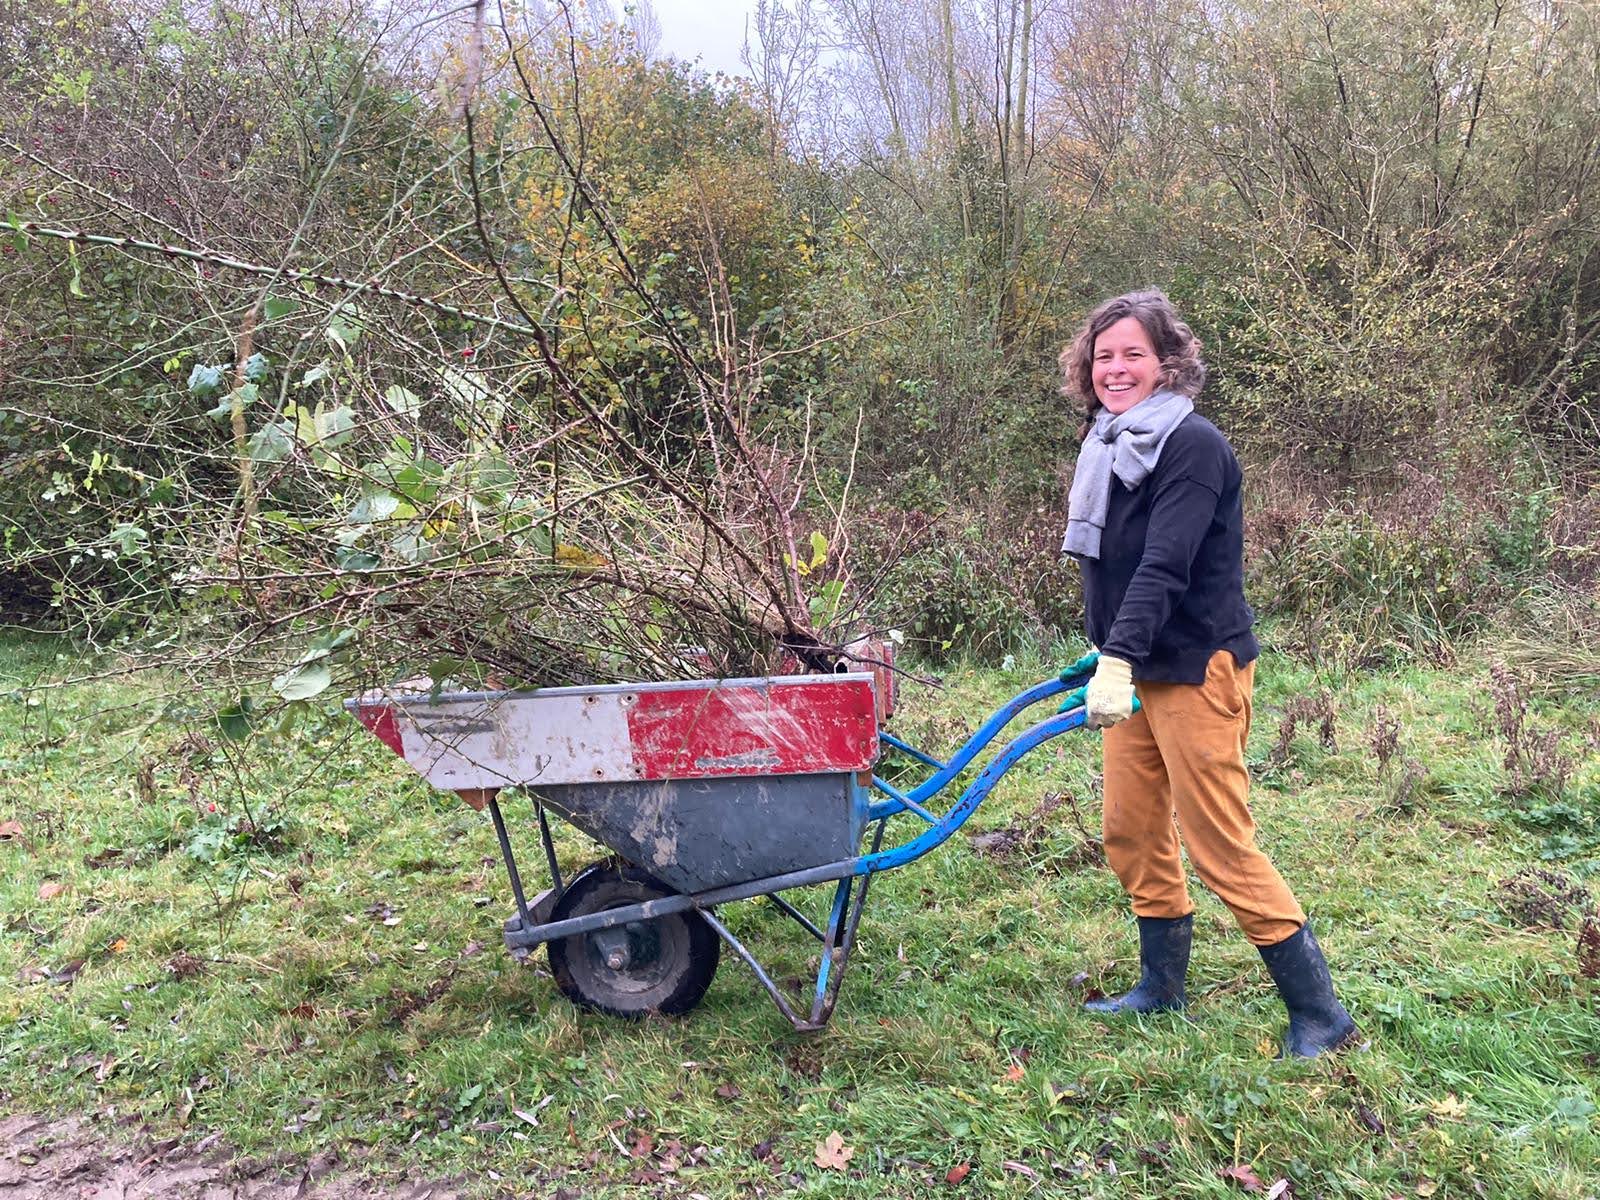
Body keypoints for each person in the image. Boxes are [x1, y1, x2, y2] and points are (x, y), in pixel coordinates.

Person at [1058, 289, 1359, 1058]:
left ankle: (1321, 1015)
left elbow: (1165, 564)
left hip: (1195, 667)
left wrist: (1120, 655)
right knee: (1130, 830)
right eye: (1104, 355)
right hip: (1138, 667)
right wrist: (1108, 648)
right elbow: (1116, 567)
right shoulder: (1110, 442)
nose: (1115, 368)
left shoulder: (1190, 446)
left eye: (1133, 354)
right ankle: (1162, 988)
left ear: (1168, 362)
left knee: (1220, 844)